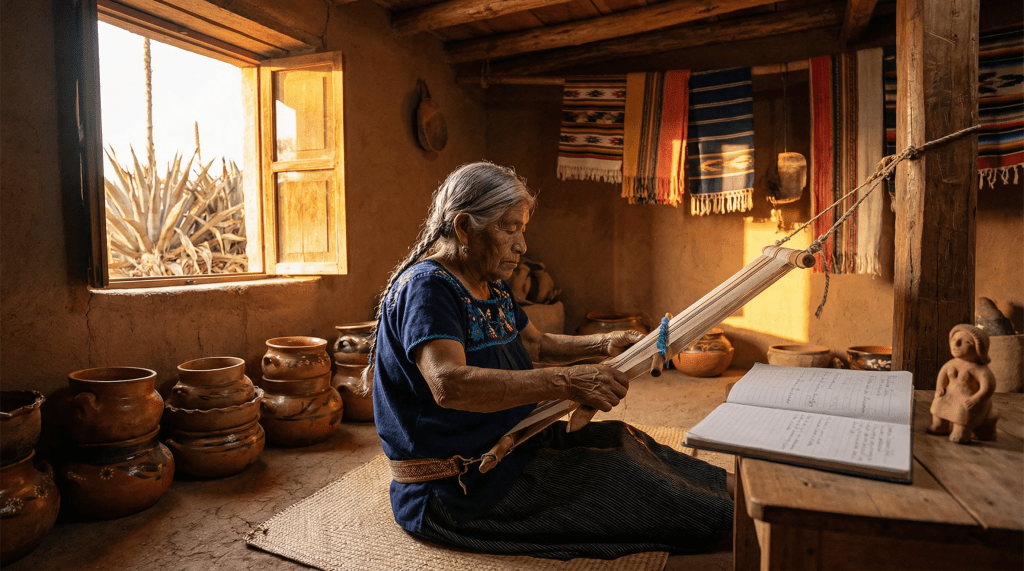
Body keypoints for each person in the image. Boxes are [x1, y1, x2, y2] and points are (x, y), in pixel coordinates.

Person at [363, 161, 733, 560]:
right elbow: (448, 383)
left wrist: (605, 342)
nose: (521, 245)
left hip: (512, 441)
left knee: (623, 441)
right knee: (616, 479)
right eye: (509, 228)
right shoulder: (429, 289)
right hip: (460, 485)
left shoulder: (488, 281)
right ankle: (744, 521)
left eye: (521, 228)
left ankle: (737, 490)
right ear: (465, 227)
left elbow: (536, 346)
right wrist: (569, 382)